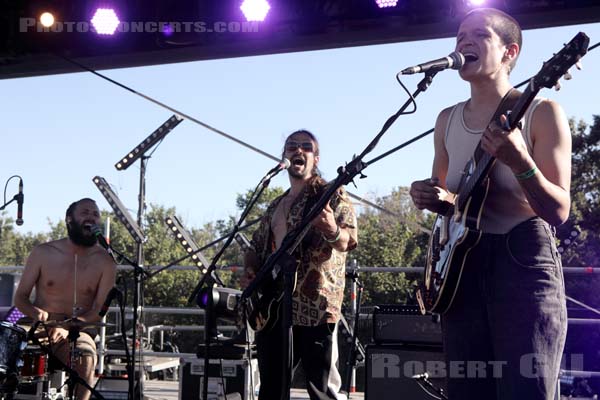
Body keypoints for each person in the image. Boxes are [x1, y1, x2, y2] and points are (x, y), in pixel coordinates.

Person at [409, 8, 571, 400]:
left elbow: (559, 210)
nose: (463, 42)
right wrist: (427, 196)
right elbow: (452, 201)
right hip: (462, 270)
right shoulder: (446, 120)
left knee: (525, 390)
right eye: (460, 35)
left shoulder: (541, 111)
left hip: (523, 261)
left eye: (479, 35)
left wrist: (521, 164)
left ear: (509, 51)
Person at [243, 130, 358, 400]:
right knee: (271, 388)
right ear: (284, 156)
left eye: (306, 147)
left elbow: (348, 240)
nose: (299, 150)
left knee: (322, 389)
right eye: (292, 146)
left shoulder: (332, 196)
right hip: (274, 307)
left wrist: (330, 229)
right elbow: (254, 248)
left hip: (316, 307)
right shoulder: (275, 206)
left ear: (315, 159)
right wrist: (250, 272)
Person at [14, 198, 116, 400]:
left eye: (96, 214)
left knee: (86, 358)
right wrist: (37, 314)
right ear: (69, 219)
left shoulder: (106, 262)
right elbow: (20, 298)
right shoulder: (43, 252)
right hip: (37, 325)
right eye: (85, 212)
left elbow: (98, 310)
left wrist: (68, 327)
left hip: (78, 329)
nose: (92, 217)